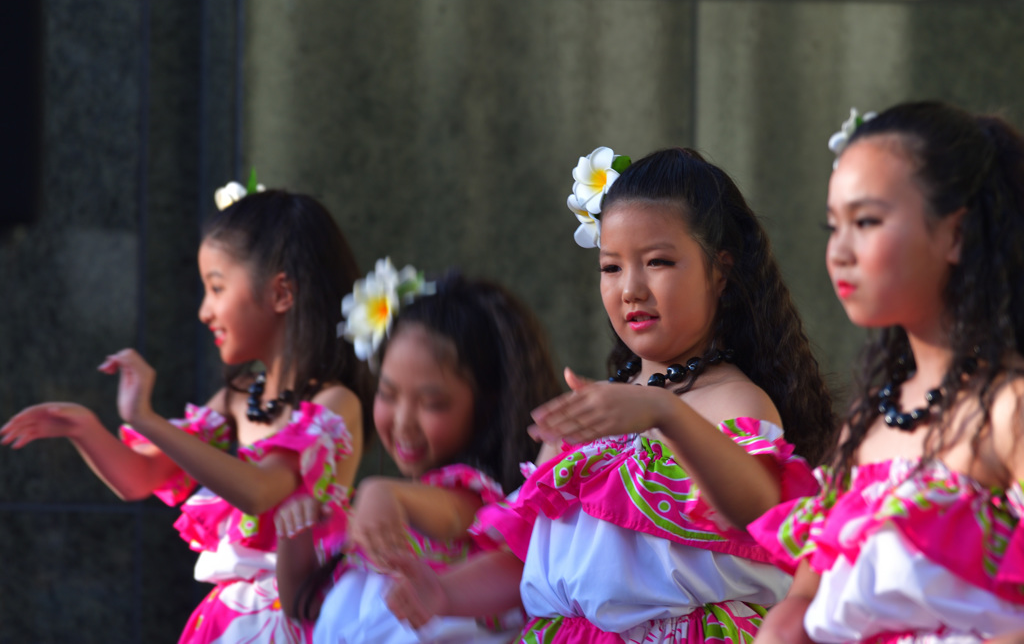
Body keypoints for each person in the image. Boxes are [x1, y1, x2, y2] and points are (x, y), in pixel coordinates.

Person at [385, 146, 837, 643]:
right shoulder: (596, 411)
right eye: (611, 267)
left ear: (721, 272)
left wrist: (664, 413)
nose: (631, 289)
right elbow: (532, 562)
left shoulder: (735, 401)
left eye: (658, 261)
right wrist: (442, 592)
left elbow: (757, 505)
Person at [1, 186, 374, 644]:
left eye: (216, 287)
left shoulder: (336, 404)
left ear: (280, 292)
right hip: (230, 621)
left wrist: (148, 419)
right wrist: (85, 427)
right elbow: (141, 478)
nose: (203, 311)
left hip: (304, 621)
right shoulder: (237, 399)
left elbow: (259, 492)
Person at [749, 101, 1024, 644]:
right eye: (834, 226)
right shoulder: (869, 421)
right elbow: (806, 594)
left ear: (956, 235)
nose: (839, 252)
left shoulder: (1008, 408)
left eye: (867, 221)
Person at [272, 264, 563, 643]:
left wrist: (384, 492)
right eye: (388, 394)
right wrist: (294, 537)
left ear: (489, 405)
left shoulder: (475, 500)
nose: (403, 422)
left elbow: (456, 514)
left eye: (432, 403)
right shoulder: (377, 514)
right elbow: (303, 607)